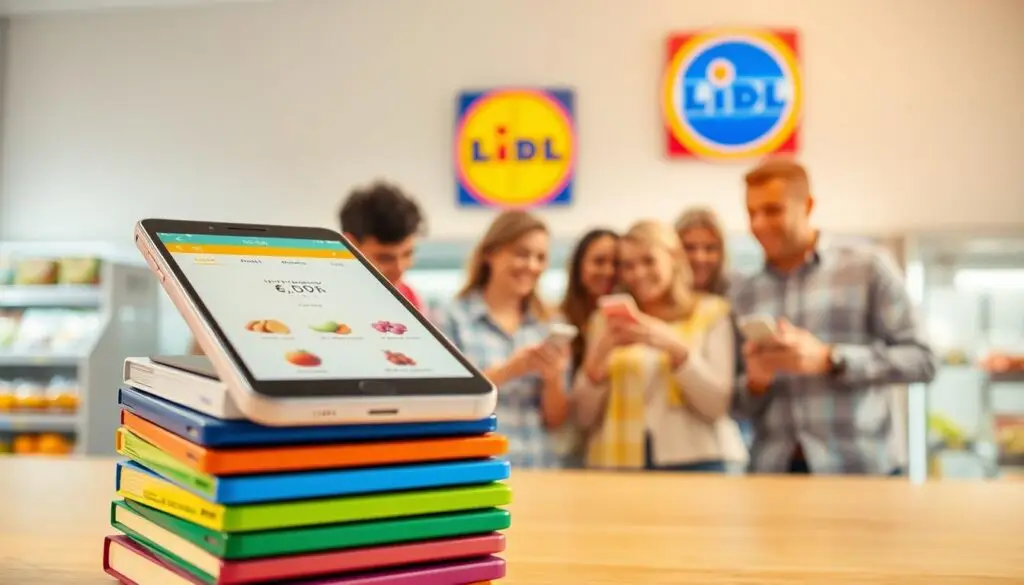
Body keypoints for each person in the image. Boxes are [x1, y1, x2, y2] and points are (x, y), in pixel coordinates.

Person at [731, 157, 937, 475]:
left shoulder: (867, 268)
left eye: (772, 210)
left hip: (861, 469)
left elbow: (923, 360)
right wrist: (756, 383)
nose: (758, 224)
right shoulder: (745, 292)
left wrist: (830, 359)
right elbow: (736, 406)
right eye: (751, 213)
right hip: (773, 472)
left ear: (808, 206)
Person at [572, 220, 747, 472]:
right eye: (628, 265)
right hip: (617, 465)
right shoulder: (605, 320)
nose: (638, 273)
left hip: (700, 464)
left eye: (649, 261)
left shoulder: (711, 313)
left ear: (673, 258)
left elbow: (716, 406)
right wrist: (597, 359)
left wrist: (674, 348)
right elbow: (582, 418)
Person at [440, 210, 572, 468]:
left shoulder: (550, 324)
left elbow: (556, 420)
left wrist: (553, 378)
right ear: (490, 253)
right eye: (522, 253)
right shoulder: (452, 319)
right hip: (481, 468)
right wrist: (509, 370)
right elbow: (449, 403)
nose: (532, 266)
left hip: (541, 467)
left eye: (540, 257)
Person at [338, 180, 426, 311]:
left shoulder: (409, 298)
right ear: (349, 244)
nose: (399, 269)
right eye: (385, 258)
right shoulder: (325, 298)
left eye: (407, 254)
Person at [558, 228, 620, 372]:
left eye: (616, 263)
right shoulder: (560, 323)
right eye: (599, 261)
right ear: (579, 266)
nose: (609, 271)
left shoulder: (630, 322)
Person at [675, 207, 731, 296]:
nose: (699, 258)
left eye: (710, 248)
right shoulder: (656, 298)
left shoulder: (738, 294)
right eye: (689, 248)